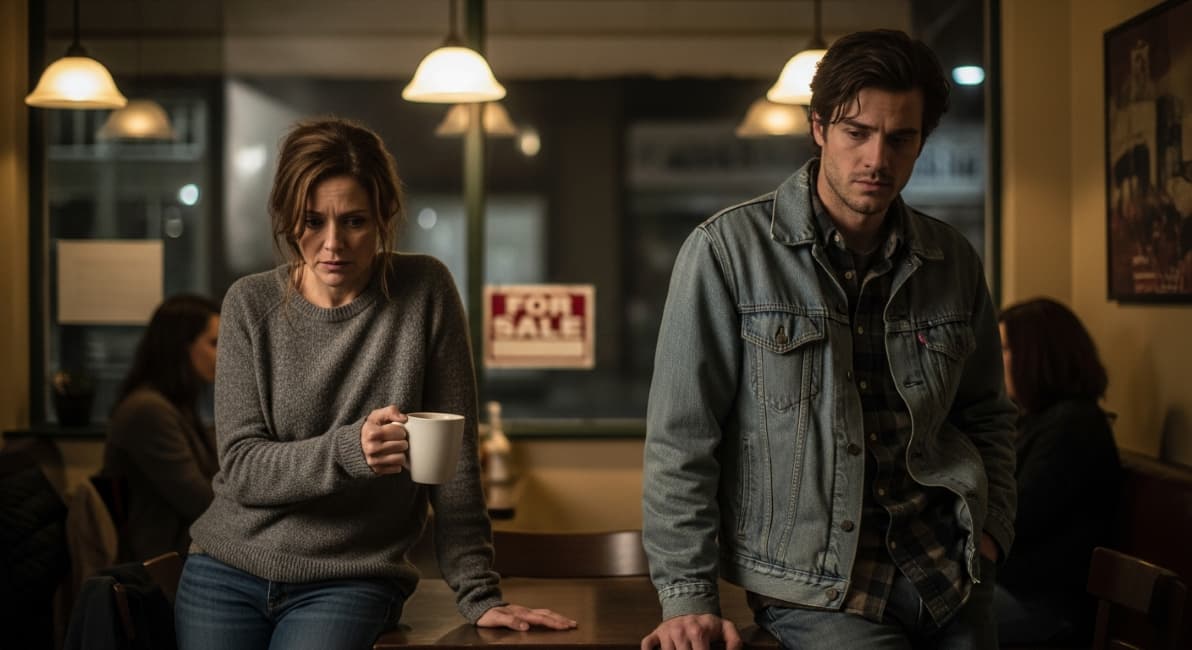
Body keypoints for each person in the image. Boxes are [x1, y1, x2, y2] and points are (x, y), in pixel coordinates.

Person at [641, 29, 1017, 650]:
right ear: (819, 128)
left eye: (901, 138)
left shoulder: (952, 259)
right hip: (818, 590)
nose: (878, 159)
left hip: (951, 576)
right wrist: (687, 597)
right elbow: (683, 437)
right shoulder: (727, 253)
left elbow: (987, 415)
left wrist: (994, 526)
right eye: (857, 132)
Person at [174, 117, 575, 649]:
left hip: (350, 576)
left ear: (385, 217)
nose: (332, 243)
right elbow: (244, 468)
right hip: (227, 566)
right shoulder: (251, 303)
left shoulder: (425, 290)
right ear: (288, 219)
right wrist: (349, 450)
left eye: (355, 221)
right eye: (311, 221)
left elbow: (453, 463)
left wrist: (479, 595)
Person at [995, 298, 1121, 645]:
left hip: (1047, 607)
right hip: (1016, 589)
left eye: (1004, 349)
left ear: (1037, 357)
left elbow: (1014, 519)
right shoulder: (1037, 419)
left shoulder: (1072, 425)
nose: (995, 360)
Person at [101, 293, 221, 561]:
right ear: (180, 347)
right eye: (214, 343)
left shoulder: (175, 404)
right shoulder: (148, 411)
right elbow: (201, 503)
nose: (223, 354)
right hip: (162, 563)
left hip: (185, 550)